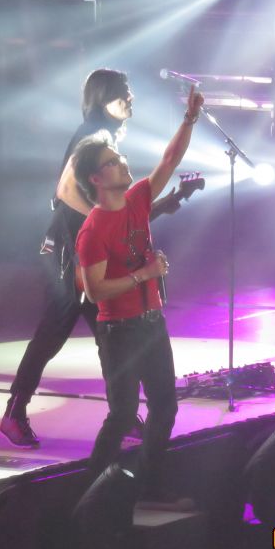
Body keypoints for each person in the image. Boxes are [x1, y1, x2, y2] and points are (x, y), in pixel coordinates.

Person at [0, 69, 184, 448]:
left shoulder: (105, 135)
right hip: (69, 252)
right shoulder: (93, 134)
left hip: (80, 249)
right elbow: (65, 190)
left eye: (129, 92)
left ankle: (122, 414)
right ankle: (14, 413)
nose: (130, 99)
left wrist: (159, 206)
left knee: (107, 332)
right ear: (103, 99)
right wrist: (103, 224)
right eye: (123, 93)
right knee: (56, 332)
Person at [74, 85, 203, 499]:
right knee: (123, 414)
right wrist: (142, 274)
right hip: (120, 332)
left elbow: (170, 160)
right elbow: (96, 291)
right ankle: (89, 493)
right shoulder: (92, 231)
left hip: (151, 323)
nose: (122, 162)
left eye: (119, 157)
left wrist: (190, 119)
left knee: (165, 405)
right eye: (112, 162)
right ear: (96, 179)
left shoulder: (137, 200)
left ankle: (148, 485)